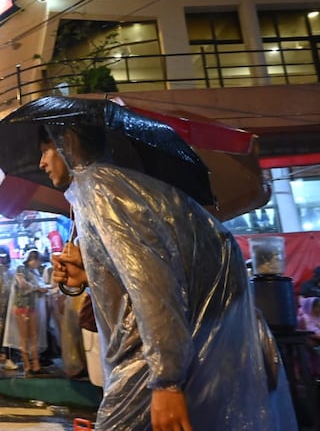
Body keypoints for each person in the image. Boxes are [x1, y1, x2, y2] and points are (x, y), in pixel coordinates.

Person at [38, 121, 295, 430]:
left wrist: (166, 380)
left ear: (68, 142)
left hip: (151, 359)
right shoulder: (110, 188)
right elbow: (147, 271)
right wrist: (90, 275)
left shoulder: (101, 189)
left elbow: (151, 284)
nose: (41, 162)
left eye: (46, 149)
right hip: (175, 348)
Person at [10, 250, 50, 376]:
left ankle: (36, 365)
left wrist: (41, 289)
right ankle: (27, 366)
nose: (39, 264)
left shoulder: (34, 271)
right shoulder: (21, 268)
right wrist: (37, 288)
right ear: (32, 259)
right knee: (25, 337)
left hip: (32, 306)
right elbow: (22, 284)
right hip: (22, 307)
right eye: (38, 261)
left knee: (34, 336)